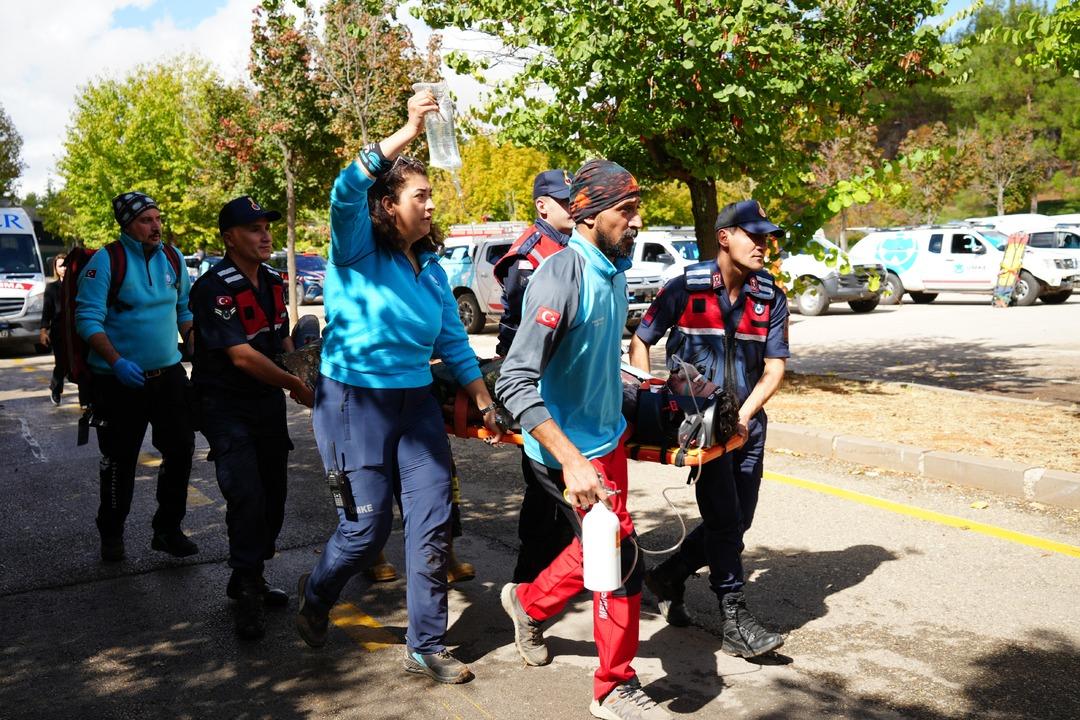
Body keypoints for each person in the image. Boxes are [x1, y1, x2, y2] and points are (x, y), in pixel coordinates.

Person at [295, 89, 503, 685]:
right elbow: (343, 189)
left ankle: (427, 644)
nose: (431, 205)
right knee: (365, 530)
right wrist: (409, 130)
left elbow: (454, 344)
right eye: (421, 196)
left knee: (432, 520)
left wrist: (484, 401)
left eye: (432, 196)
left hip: (414, 403)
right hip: (353, 400)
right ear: (386, 205)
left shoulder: (431, 271)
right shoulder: (355, 249)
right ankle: (317, 595)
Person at [496, 159, 672, 720]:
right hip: (563, 452)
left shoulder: (615, 271)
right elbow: (514, 380)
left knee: (607, 546)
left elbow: (596, 361)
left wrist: (651, 392)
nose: (637, 221)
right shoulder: (559, 275)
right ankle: (613, 687)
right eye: (627, 210)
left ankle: (525, 602)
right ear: (590, 215)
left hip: (607, 440)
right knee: (617, 561)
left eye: (636, 208)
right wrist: (571, 460)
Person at [628, 199, 789, 659]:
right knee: (722, 519)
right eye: (753, 236)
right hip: (703, 430)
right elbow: (641, 341)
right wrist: (657, 400)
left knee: (738, 522)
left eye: (766, 238)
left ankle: (668, 576)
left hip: (747, 427)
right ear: (725, 238)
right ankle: (734, 617)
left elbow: (774, 368)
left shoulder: (770, 297)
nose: (763, 245)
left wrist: (745, 415)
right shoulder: (685, 288)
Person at [189, 195, 315, 640]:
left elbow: (278, 339)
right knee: (245, 492)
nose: (265, 236)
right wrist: (294, 384)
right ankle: (246, 586)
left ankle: (252, 569)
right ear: (229, 238)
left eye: (266, 227)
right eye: (253, 229)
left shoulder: (275, 282)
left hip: (265, 402)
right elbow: (241, 356)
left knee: (274, 495)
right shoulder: (212, 288)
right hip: (223, 404)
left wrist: (301, 367)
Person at [75, 192, 197, 563]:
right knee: (119, 459)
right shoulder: (106, 261)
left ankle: (167, 528)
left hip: (169, 376)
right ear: (127, 225)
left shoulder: (173, 259)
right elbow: (87, 319)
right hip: (118, 382)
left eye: (158, 218)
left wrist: (194, 345)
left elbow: (184, 309)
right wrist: (115, 361)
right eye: (146, 220)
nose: (156, 226)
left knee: (181, 450)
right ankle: (111, 532)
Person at [492, 169, 579, 584]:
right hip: (538, 385)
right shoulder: (529, 256)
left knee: (567, 488)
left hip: (572, 382)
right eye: (566, 200)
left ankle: (559, 573)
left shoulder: (576, 246)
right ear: (542, 205)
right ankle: (528, 580)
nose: (575, 206)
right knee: (543, 487)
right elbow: (519, 334)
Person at [40, 253, 67, 406]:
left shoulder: (79, 286)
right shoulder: (51, 288)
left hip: (76, 330)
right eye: (60, 266)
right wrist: (43, 331)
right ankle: (56, 389)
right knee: (61, 363)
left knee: (81, 362)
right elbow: (46, 312)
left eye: (65, 265)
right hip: (58, 331)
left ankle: (86, 399)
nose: (64, 268)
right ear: (55, 269)